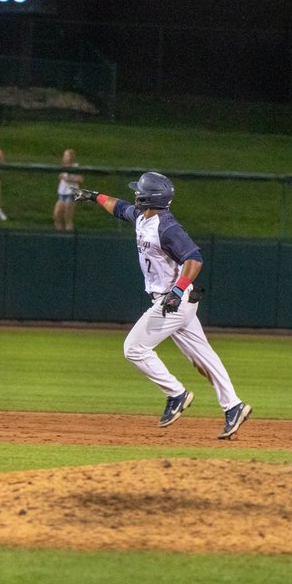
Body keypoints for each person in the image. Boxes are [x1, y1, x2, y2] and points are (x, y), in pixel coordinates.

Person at [71, 172, 252, 439]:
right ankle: (233, 406)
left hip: (172, 301)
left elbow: (194, 258)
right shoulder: (142, 217)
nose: (134, 195)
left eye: (138, 192)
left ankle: (176, 393)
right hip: (178, 301)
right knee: (204, 360)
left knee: (133, 348)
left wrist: (176, 292)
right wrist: (94, 196)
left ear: (148, 197)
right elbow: (119, 207)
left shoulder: (167, 227)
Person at [54, 148, 83, 230]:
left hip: (71, 193)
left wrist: (68, 179)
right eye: (64, 155)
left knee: (67, 217)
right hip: (62, 193)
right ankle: (60, 235)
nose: (64, 157)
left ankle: (69, 237)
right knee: (57, 215)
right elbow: (61, 177)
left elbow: (80, 179)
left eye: (66, 155)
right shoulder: (63, 167)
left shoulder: (76, 167)